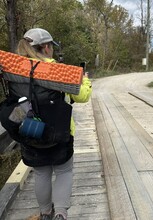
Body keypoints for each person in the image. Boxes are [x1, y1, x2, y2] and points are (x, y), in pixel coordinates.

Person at [10, 28, 92, 220]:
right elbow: (82, 96)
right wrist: (86, 81)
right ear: (46, 47)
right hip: (59, 132)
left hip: (30, 130)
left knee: (41, 173)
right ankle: (61, 215)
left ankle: (46, 214)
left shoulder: (13, 68)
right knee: (63, 171)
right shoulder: (58, 70)